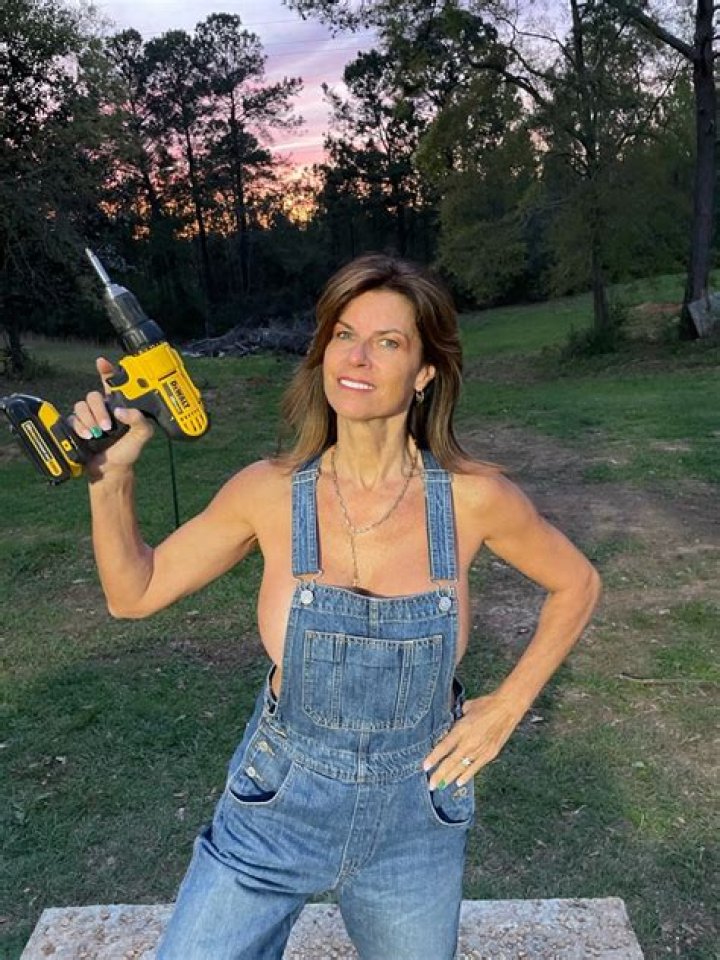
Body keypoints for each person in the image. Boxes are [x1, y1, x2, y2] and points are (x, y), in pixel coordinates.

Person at [72, 253, 601, 960]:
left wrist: (508, 706)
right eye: (344, 335)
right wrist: (110, 477)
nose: (357, 357)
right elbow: (133, 594)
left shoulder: (473, 499)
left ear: (425, 372)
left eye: (388, 342)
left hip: (415, 819)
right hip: (277, 806)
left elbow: (577, 583)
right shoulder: (267, 491)